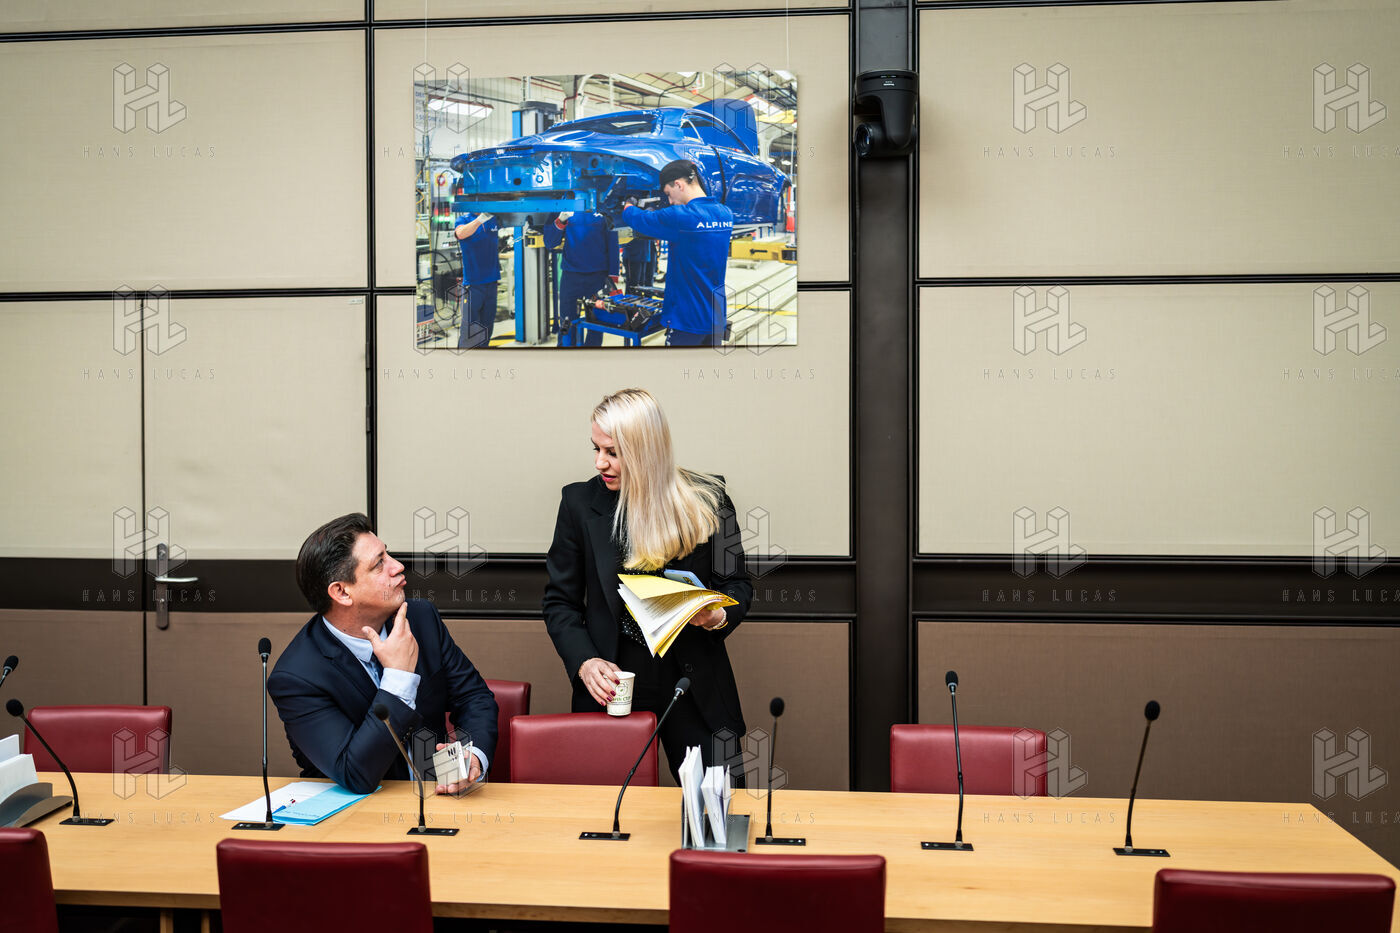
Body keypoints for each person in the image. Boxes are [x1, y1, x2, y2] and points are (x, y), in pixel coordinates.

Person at [542, 388, 752, 780]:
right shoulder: (578, 503)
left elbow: (738, 585)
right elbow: (559, 603)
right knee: (608, 807)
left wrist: (717, 616)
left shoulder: (708, 498)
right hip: (613, 681)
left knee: (718, 804)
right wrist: (585, 662)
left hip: (693, 682)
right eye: (596, 449)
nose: (600, 462)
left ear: (645, 451)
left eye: (613, 452)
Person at [268, 513, 498, 795]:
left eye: (387, 554)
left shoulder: (421, 619)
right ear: (342, 592)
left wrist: (472, 755)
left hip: (438, 797)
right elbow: (355, 773)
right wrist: (398, 677)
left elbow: (474, 697)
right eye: (379, 563)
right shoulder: (297, 677)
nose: (398, 566)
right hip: (359, 811)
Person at [621, 160, 734, 346]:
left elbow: (638, 218)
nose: (670, 201)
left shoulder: (680, 216)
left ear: (679, 184)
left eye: (668, 193)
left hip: (687, 320)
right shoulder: (725, 214)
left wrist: (628, 205)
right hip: (716, 317)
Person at [541, 209, 619, 347]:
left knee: (596, 325)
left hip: (597, 278)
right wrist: (560, 221)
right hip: (571, 277)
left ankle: (590, 356)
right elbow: (549, 242)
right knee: (566, 324)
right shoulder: (564, 204)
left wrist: (613, 277)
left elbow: (612, 241)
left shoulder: (601, 206)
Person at [454, 211, 500, 349]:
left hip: (492, 283)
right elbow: (460, 233)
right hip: (473, 285)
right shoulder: (463, 219)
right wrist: (480, 220)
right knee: (470, 330)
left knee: (487, 328)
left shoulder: (494, 218)